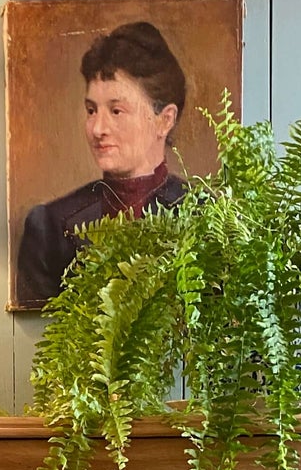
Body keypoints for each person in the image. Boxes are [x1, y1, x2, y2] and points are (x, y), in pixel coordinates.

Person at [16, 19, 187, 307]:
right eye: (91, 110)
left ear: (164, 120)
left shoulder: (207, 218)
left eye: (116, 111)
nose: (97, 129)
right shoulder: (50, 228)